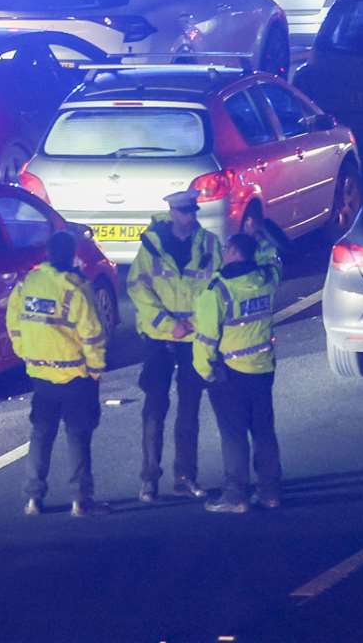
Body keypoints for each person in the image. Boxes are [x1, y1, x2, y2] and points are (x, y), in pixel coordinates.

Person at [127, 189, 223, 503]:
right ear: (172, 213)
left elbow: (219, 287)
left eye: (193, 211)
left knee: (189, 410)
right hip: (159, 340)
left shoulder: (209, 243)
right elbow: (139, 291)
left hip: (193, 339)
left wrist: (196, 323)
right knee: (154, 410)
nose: (190, 217)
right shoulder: (151, 246)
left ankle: (186, 477)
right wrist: (171, 325)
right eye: (184, 212)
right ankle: (149, 479)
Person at [7, 230, 108, 518]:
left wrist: (24, 350)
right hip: (76, 376)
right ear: (71, 254)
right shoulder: (77, 288)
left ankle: (33, 499)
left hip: (40, 375)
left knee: (41, 435)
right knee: (78, 436)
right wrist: (96, 368)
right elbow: (92, 334)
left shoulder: (28, 283)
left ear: (47, 254)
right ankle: (81, 500)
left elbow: (14, 321)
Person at [193, 232, 282, 513]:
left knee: (233, 435)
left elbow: (205, 338)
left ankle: (236, 495)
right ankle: (270, 492)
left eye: (226, 248)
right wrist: (259, 233)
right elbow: (273, 256)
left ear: (231, 251)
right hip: (263, 367)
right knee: (264, 431)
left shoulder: (217, 291)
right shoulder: (267, 279)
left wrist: (205, 372)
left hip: (229, 373)